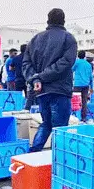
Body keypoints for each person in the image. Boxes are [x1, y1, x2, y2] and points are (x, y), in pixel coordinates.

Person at [23, 8, 77, 152]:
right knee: (60, 128)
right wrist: (42, 77)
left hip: (41, 90)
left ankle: (33, 154)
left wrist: (35, 79)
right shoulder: (68, 38)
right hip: (60, 90)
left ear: (48, 20)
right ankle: (57, 161)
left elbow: (26, 64)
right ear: (63, 21)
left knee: (46, 124)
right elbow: (66, 63)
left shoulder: (35, 39)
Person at [72, 50, 94, 122]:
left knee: (75, 101)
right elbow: (91, 77)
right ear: (84, 56)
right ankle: (83, 117)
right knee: (84, 101)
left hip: (77, 84)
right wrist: (91, 87)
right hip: (86, 85)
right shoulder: (88, 64)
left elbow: (71, 70)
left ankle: (75, 117)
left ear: (78, 55)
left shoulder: (77, 62)